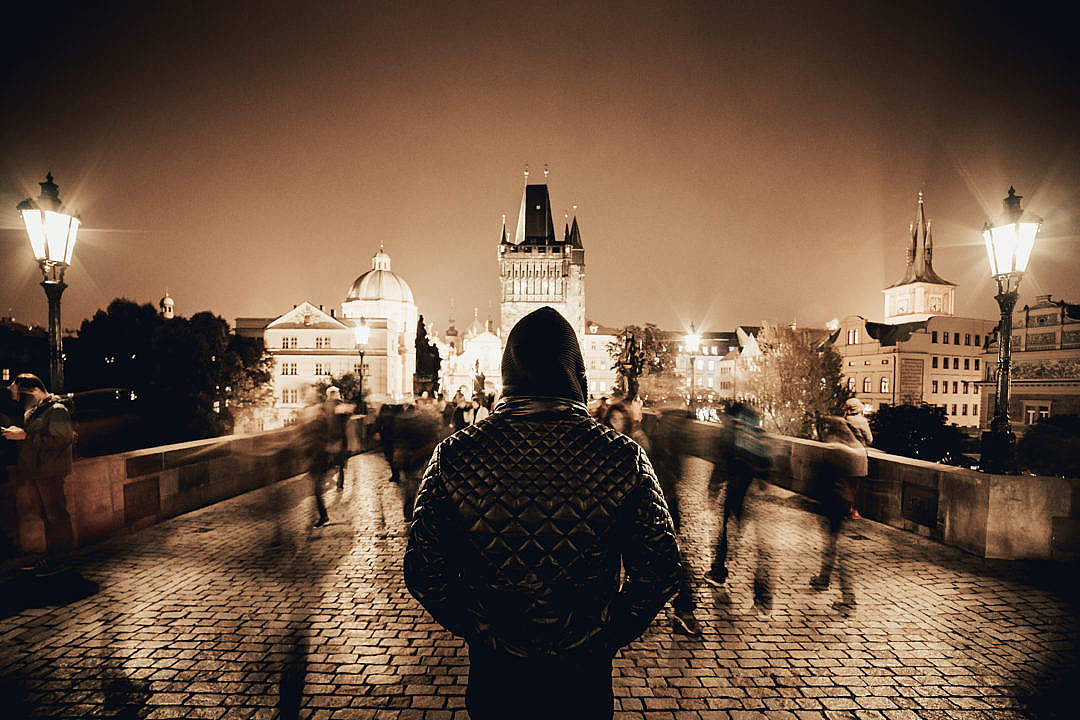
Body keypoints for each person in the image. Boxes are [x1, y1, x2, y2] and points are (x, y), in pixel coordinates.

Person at [404, 307, 681, 720]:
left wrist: (482, 628)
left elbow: (424, 571)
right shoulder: (623, 457)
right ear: (577, 375)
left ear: (506, 376)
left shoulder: (454, 455)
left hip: (496, 676)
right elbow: (660, 570)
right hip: (582, 679)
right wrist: (605, 634)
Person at [703, 402, 773, 615]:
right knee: (760, 546)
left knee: (724, 532)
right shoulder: (757, 431)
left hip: (736, 489)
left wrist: (712, 490)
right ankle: (763, 598)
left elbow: (722, 463)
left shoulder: (730, 432)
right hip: (754, 493)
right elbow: (767, 461)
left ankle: (718, 572)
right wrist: (763, 483)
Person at [2, 374, 76, 569]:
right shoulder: (37, 410)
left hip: (50, 471)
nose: (16, 399)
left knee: (56, 515)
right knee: (47, 515)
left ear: (33, 391)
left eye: (18, 393)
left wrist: (25, 436)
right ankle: (54, 557)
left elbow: (62, 440)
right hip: (38, 471)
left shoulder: (57, 410)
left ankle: (62, 558)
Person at [646, 408, 703, 636]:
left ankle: (684, 608)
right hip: (665, 499)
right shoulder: (673, 433)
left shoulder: (655, 434)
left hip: (658, 501)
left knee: (670, 555)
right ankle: (684, 608)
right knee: (672, 554)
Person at [810, 416, 863, 614]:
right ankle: (823, 579)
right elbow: (858, 481)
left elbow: (822, 477)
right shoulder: (856, 448)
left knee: (839, 551)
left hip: (834, 502)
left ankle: (849, 600)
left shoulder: (835, 449)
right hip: (846, 503)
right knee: (832, 545)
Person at [391, 403, 442, 522]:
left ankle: (409, 512)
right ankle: (420, 510)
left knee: (410, 483)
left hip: (409, 457)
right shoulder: (424, 424)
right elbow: (433, 439)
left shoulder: (402, 423)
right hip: (420, 455)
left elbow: (397, 439)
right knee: (418, 483)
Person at [299, 387, 331, 528]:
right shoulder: (308, 412)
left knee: (317, 488)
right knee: (315, 488)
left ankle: (323, 516)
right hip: (313, 455)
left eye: (309, 396)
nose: (307, 398)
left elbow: (322, 435)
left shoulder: (318, 413)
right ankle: (319, 515)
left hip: (319, 456)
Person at [842, 398, 872, 519]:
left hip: (845, 454)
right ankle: (854, 511)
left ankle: (846, 509)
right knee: (857, 485)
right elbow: (870, 439)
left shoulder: (844, 421)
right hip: (858, 454)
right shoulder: (862, 421)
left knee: (846, 484)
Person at [323, 386, 351, 490]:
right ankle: (340, 484)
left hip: (329, 437)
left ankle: (333, 480)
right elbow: (346, 420)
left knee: (331, 461)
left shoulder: (325, 405)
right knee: (340, 463)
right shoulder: (340, 405)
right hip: (339, 437)